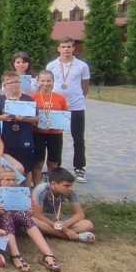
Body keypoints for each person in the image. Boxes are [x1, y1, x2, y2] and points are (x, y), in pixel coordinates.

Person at [0, 168, 61, 272]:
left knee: (23, 215)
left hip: (16, 225)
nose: (11, 183)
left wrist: (29, 211)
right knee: (6, 213)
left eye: (13, 180)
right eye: (7, 180)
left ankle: (48, 254)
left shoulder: (21, 193)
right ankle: (15, 255)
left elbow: (30, 211)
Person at [45, 38, 91, 183]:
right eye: (63, 47)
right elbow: (47, 83)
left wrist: (79, 98)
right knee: (56, 138)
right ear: (58, 49)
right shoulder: (51, 65)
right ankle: (55, 168)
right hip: (57, 106)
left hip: (76, 106)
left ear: (73, 48)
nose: (66, 49)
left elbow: (85, 85)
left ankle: (79, 168)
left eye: (69, 47)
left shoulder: (82, 66)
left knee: (78, 138)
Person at [0, 71, 36, 184]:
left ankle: (26, 191)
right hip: (7, 137)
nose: (14, 84)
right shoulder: (0, 99)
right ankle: (10, 189)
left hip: (24, 137)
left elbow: (36, 119)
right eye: (10, 82)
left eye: (17, 82)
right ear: (4, 85)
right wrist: (2, 117)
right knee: (11, 168)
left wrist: (23, 118)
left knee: (27, 168)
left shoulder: (28, 99)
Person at [32, 168, 96, 243]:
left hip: (56, 219)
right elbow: (37, 215)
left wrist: (64, 225)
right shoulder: (41, 190)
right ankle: (75, 237)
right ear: (53, 184)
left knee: (88, 224)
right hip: (43, 219)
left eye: (71, 186)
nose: (70, 188)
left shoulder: (70, 192)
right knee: (32, 220)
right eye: (66, 185)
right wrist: (65, 230)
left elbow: (80, 214)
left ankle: (49, 232)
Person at [32, 70, 68, 184]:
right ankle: (37, 188)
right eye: (42, 80)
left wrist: (60, 124)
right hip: (37, 133)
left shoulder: (60, 98)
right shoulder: (33, 98)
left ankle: (53, 187)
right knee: (38, 163)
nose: (46, 83)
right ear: (38, 82)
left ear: (53, 81)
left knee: (53, 163)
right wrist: (36, 124)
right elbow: (29, 117)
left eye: (49, 81)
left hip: (55, 134)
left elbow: (65, 116)